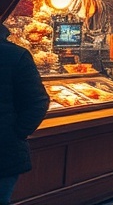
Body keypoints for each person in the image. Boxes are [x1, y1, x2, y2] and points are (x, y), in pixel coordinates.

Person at [0, 24, 49, 204]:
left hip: (3, 150)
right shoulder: (16, 55)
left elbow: (37, 102)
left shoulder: (15, 55)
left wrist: (15, 133)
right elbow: (37, 102)